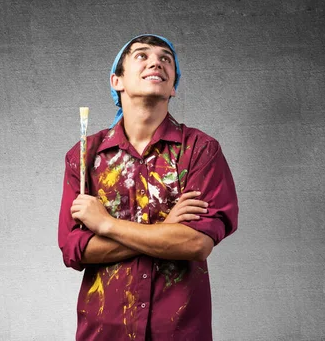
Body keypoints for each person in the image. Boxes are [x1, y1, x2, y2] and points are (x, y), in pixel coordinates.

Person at [58, 34, 238, 341]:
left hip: (178, 332)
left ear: (174, 87)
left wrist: (106, 224)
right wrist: (167, 229)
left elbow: (196, 244)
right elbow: (76, 250)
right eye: (142, 55)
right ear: (117, 80)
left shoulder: (200, 151)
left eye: (166, 58)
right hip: (103, 332)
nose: (156, 61)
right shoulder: (84, 156)